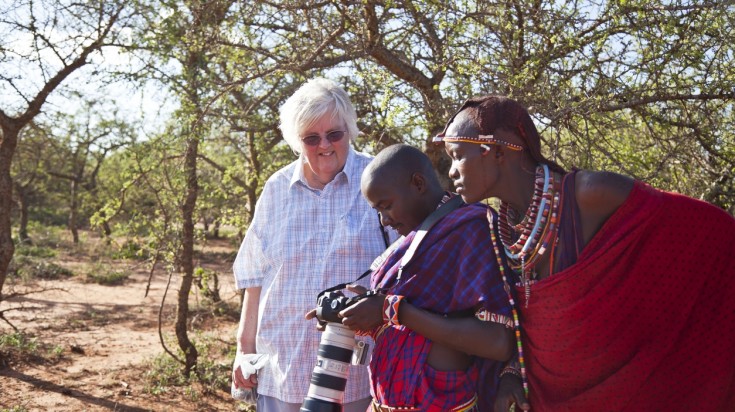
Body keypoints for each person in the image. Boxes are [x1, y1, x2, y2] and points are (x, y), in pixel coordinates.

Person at [434, 95, 735, 411]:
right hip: (550, 398)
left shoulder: (590, 195)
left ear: (496, 151)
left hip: (634, 392)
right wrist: (510, 374)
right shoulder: (503, 229)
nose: (452, 172)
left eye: (457, 156)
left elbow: (705, 231)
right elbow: (516, 321)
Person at [231, 78, 394, 412]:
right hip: (281, 366)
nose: (325, 146)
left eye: (335, 134)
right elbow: (254, 277)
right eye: (311, 138)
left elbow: (406, 271)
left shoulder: (379, 179)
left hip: (358, 375)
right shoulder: (277, 188)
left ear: (349, 130)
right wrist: (243, 350)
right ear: (296, 141)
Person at [319, 143, 517, 411]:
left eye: (386, 206)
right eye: (377, 211)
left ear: (419, 183)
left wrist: (391, 310)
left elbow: (498, 341)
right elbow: (406, 320)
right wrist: (360, 313)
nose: (384, 220)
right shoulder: (410, 241)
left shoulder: (472, 228)